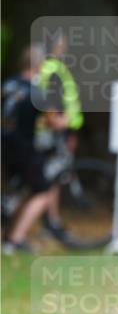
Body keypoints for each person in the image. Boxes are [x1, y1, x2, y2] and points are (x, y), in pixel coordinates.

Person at [1, 45, 70, 253]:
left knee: (15, 191)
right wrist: (65, 119)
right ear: (39, 65)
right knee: (43, 191)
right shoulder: (37, 91)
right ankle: (15, 240)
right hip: (23, 147)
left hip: (4, 144)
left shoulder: (8, 84)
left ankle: (9, 231)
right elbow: (54, 122)